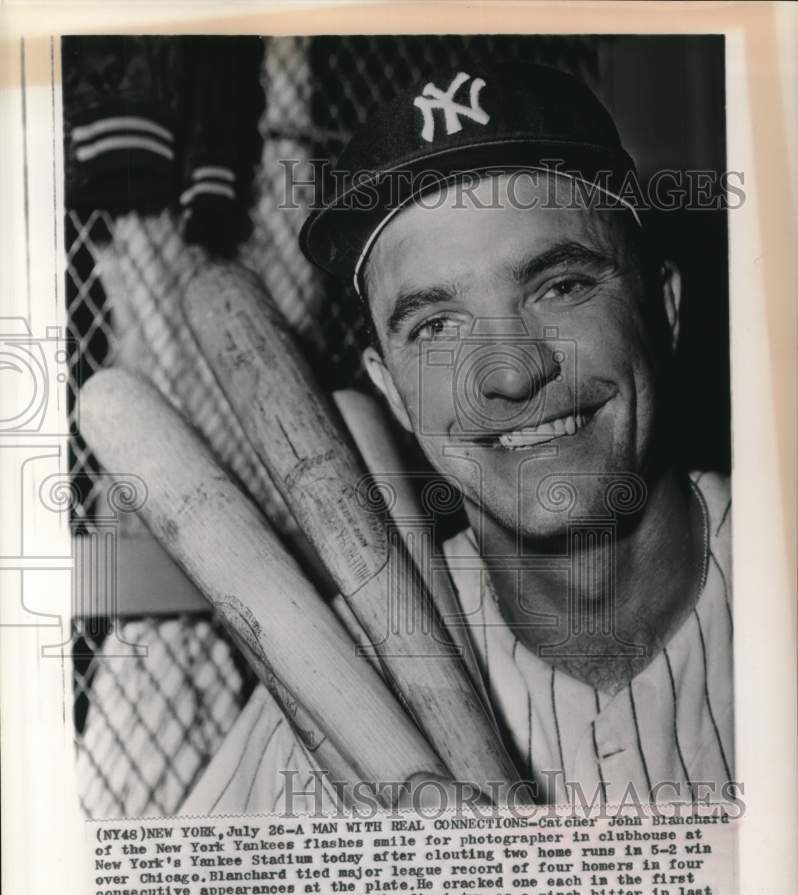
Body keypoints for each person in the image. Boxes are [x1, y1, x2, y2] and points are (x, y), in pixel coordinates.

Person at [183, 63, 733, 814]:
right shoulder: (345, 684)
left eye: (560, 285)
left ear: (664, 308)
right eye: (436, 326)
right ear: (391, 393)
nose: (510, 374)